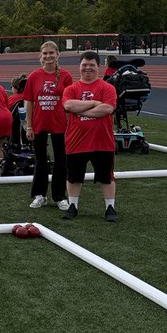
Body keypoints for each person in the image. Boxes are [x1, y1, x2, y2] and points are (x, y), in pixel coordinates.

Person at [60, 52, 118, 222]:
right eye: (84, 64)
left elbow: (107, 109)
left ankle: (110, 207)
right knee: (73, 176)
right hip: (76, 141)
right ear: (79, 66)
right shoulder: (71, 89)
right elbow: (69, 105)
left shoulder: (108, 88)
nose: (88, 68)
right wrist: (93, 103)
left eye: (91, 65)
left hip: (103, 142)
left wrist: (80, 110)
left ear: (98, 67)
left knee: (106, 177)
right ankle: (73, 206)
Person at [23, 41, 73, 211]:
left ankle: (60, 196)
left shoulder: (65, 76)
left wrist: (70, 124)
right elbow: (29, 102)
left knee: (61, 160)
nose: (48, 56)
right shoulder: (34, 76)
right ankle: (39, 195)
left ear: (58, 54)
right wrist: (29, 126)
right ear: (40, 56)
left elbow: (69, 102)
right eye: (45, 53)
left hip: (60, 124)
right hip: (39, 124)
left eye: (51, 53)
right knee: (40, 161)